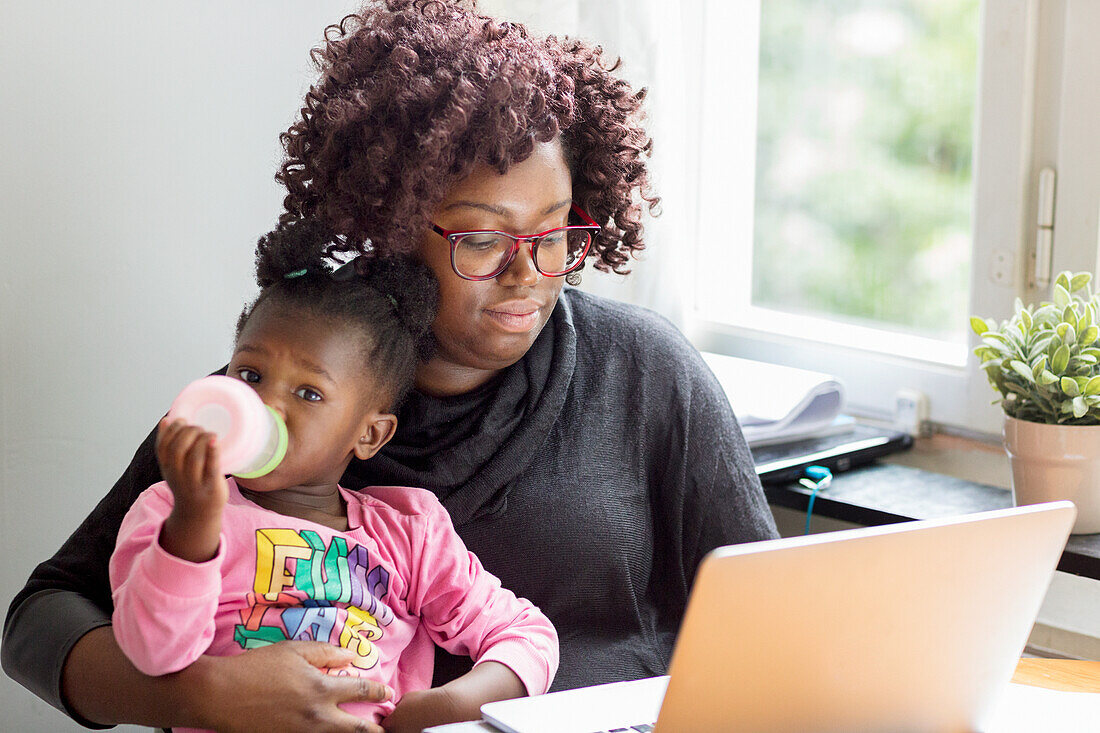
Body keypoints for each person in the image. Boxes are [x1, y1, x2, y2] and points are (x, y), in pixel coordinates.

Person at [2, 2, 778, 731]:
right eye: (482, 239)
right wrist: (211, 692)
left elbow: (772, 621)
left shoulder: (644, 372)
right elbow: (39, 617)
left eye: (554, 232)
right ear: (391, 223)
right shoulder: (282, 403)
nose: (530, 272)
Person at [107, 220, 558, 733]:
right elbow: (150, 656)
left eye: (309, 393)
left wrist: (454, 706)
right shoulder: (170, 512)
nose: (266, 403)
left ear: (370, 435)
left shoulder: (409, 532)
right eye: (250, 375)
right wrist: (192, 528)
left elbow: (527, 635)